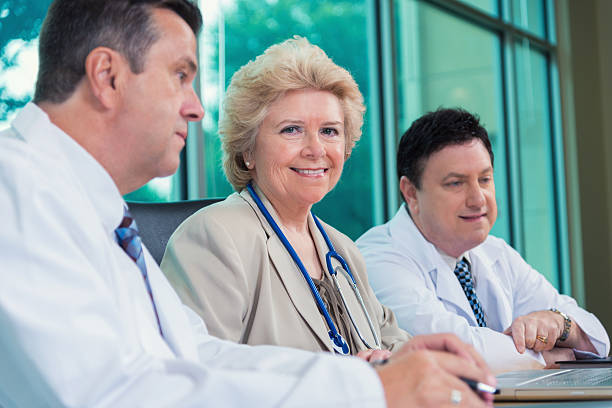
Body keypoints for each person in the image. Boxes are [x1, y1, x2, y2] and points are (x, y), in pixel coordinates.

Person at [0, 1, 494, 407]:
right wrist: (368, 389)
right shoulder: (16, 191)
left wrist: (390, 371)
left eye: (329, 131)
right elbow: (109, 395)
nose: (195, 107)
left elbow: (194, 356)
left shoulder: (89, 211)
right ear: (107, 76)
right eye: (180, 75)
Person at [161, 37, 409, 361]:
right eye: (292, 130)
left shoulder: (344, 251)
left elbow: (398, 349)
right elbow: (197, 377)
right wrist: (343, 381)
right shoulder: (214, 237)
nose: (316, 149)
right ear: (248, 149)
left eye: (330, 131)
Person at [356, 108, 610, 373]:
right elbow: (453, 350)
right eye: (456, 183)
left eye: (485, 179)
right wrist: (548, 357)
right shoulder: (377, 258)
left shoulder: (493, 251)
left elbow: (597, 338)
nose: (478, 199)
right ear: (411, 193)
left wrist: (560, 325)